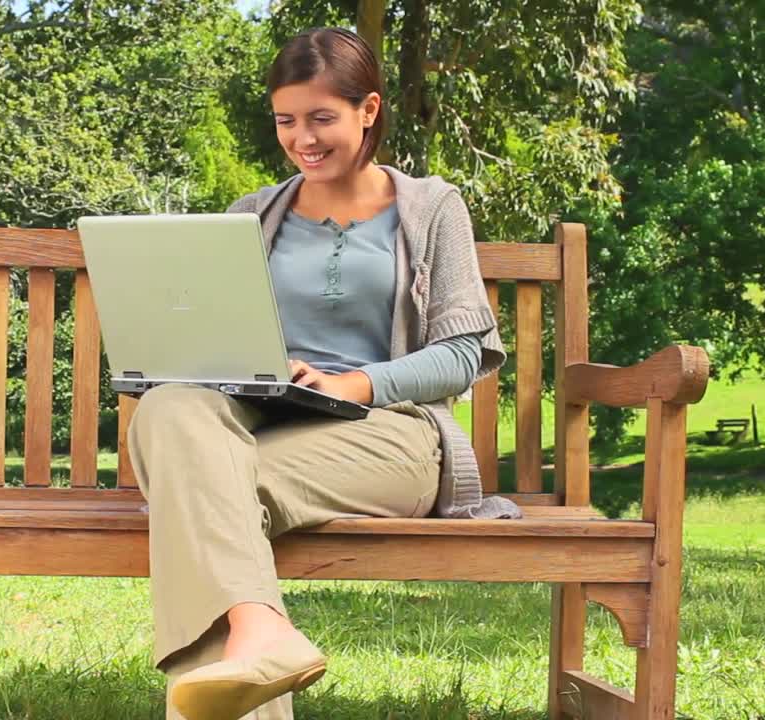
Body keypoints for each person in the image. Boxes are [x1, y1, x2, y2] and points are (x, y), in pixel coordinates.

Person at [126, 26, 513, 720]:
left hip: (390, 434)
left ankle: (256, 634)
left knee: (203, 502)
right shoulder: (252, 214)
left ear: (368, 110)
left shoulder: (431, 209)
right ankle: (261, 631)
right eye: (286, 120)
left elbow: (462, 357)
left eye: (321, 118)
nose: (302, 138)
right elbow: (212, 339)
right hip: (260, 424)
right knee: (167, 409)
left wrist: (354, 383)